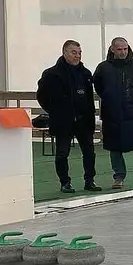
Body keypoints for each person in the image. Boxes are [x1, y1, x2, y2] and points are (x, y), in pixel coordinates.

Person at [37, 40, 101, 194]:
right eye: (74, 52)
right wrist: (55, 111)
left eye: (79, 53)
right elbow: (42, 96)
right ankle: (65, 182)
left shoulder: (86, 74)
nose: (77, 56)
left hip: (84, 120)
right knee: (62, 153)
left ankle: (90, 180)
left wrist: (90, 116)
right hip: (63, 121)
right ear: (64, 52)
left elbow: (89, 98)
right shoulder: (51, 74)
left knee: (89, 152)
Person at [93, 37, 133, 189]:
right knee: (115, 147)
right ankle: (119, 177)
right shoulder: (103, 68)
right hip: (112, 114)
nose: (123, 52)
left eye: (125, 49)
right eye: (119, 49)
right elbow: (99, 87)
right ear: (112, 49)